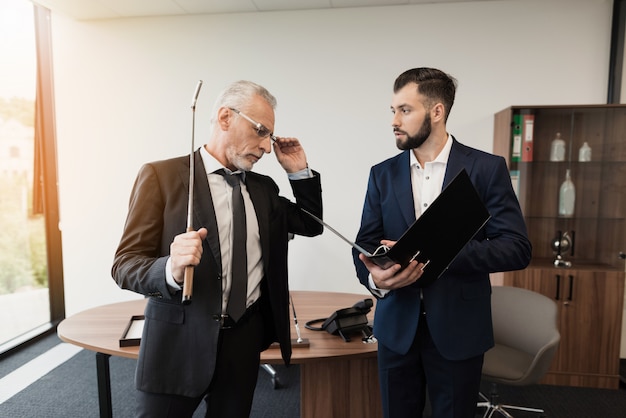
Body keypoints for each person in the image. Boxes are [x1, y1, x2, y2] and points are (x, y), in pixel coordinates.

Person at [111, 80, 323, 418]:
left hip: (243, 340)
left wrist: (299, 172)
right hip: (177, 342)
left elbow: (311, 225)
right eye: (260, 131)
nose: (267, 147)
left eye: (270, 136)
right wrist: (170, 268)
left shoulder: (263, 187)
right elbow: (124, 265)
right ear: (225, 118)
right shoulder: (161, 176)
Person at [352, 67, 531, 418]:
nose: (394, 120)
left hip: (459, 327)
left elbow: (516, 246)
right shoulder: (382, 173)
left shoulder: (486, 168)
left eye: (405, 110)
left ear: (437, 111)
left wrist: (439, 251)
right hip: (395, 328)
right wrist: (376, 279)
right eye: (393, 111)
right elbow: (365, 243)